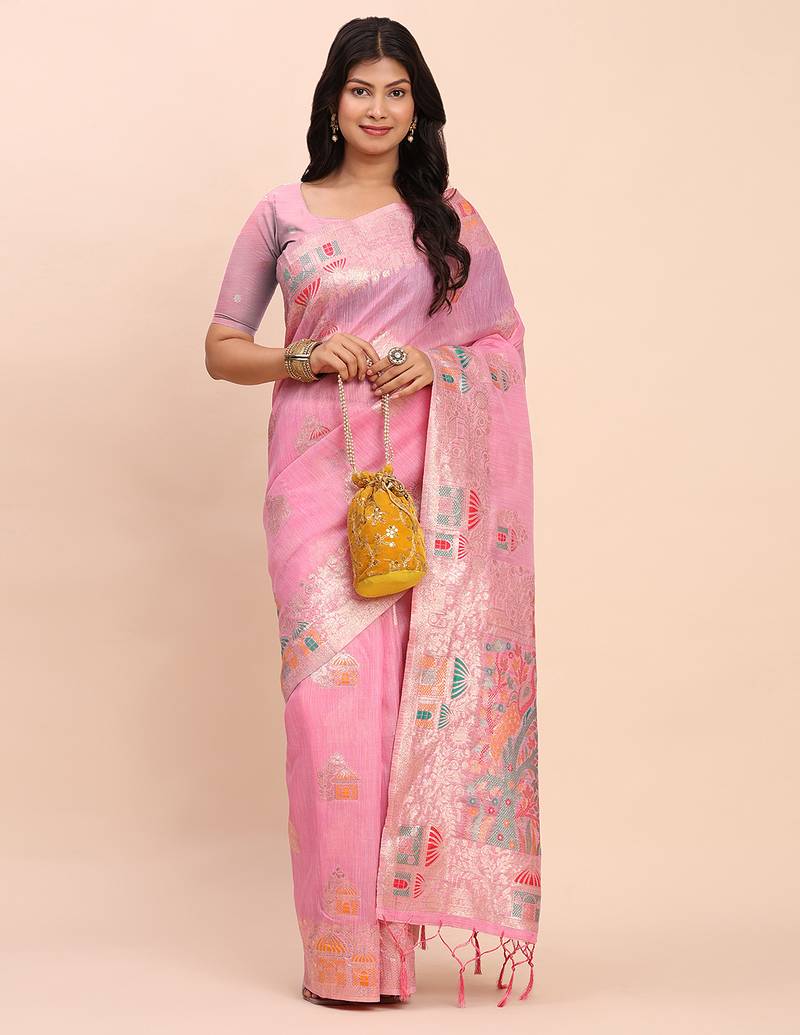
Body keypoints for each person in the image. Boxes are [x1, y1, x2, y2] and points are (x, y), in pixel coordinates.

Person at [205, 16, 541, 1009]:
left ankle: (390, 961)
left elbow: (501, 344)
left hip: (426, 484)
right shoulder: (281, 213)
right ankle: (341, 960)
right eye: (361, 89)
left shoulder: (449, 218)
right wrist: (303, 355)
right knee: (328, 713)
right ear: (333, 101)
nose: (379, 108)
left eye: (397, 91)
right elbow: (222, 347)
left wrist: (435, 367)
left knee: (403, 712)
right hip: (314, 481)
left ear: (417, 105)